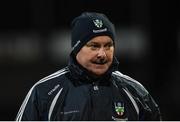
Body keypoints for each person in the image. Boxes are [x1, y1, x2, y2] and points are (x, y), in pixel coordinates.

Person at [15, 12, 161, 121]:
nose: (102, 54)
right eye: (94, 46)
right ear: (77, 48)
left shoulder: (135, 92)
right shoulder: (44, 92)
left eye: (108, 46)